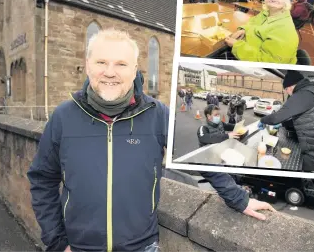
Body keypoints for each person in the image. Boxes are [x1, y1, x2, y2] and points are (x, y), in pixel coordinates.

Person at [27, 29, 275, 252]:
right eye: (101, 62)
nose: (110, 72)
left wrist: (238, 198)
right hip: (80, 247)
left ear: (135, 69)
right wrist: (57, 242)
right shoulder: (63, 116)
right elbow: (42, 180)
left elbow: (194, 159)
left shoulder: (157, 114)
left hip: (141, 247)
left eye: (121, 64)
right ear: (88, 65)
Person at [257, 70, 314, 172]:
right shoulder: (312, 90)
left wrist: (263, 120)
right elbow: (305, 118)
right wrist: (283, 123)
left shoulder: (303, 94)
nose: (287, 92)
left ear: (291, 86)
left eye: (286, 89)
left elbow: (275, 117)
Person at [224, 0, 299, 64]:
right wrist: (244, 29)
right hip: (245, 49)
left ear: (286, 3)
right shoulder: (266, 13)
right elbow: (252, 22)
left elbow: (268, 62)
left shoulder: (285, 29)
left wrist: (237, 45)